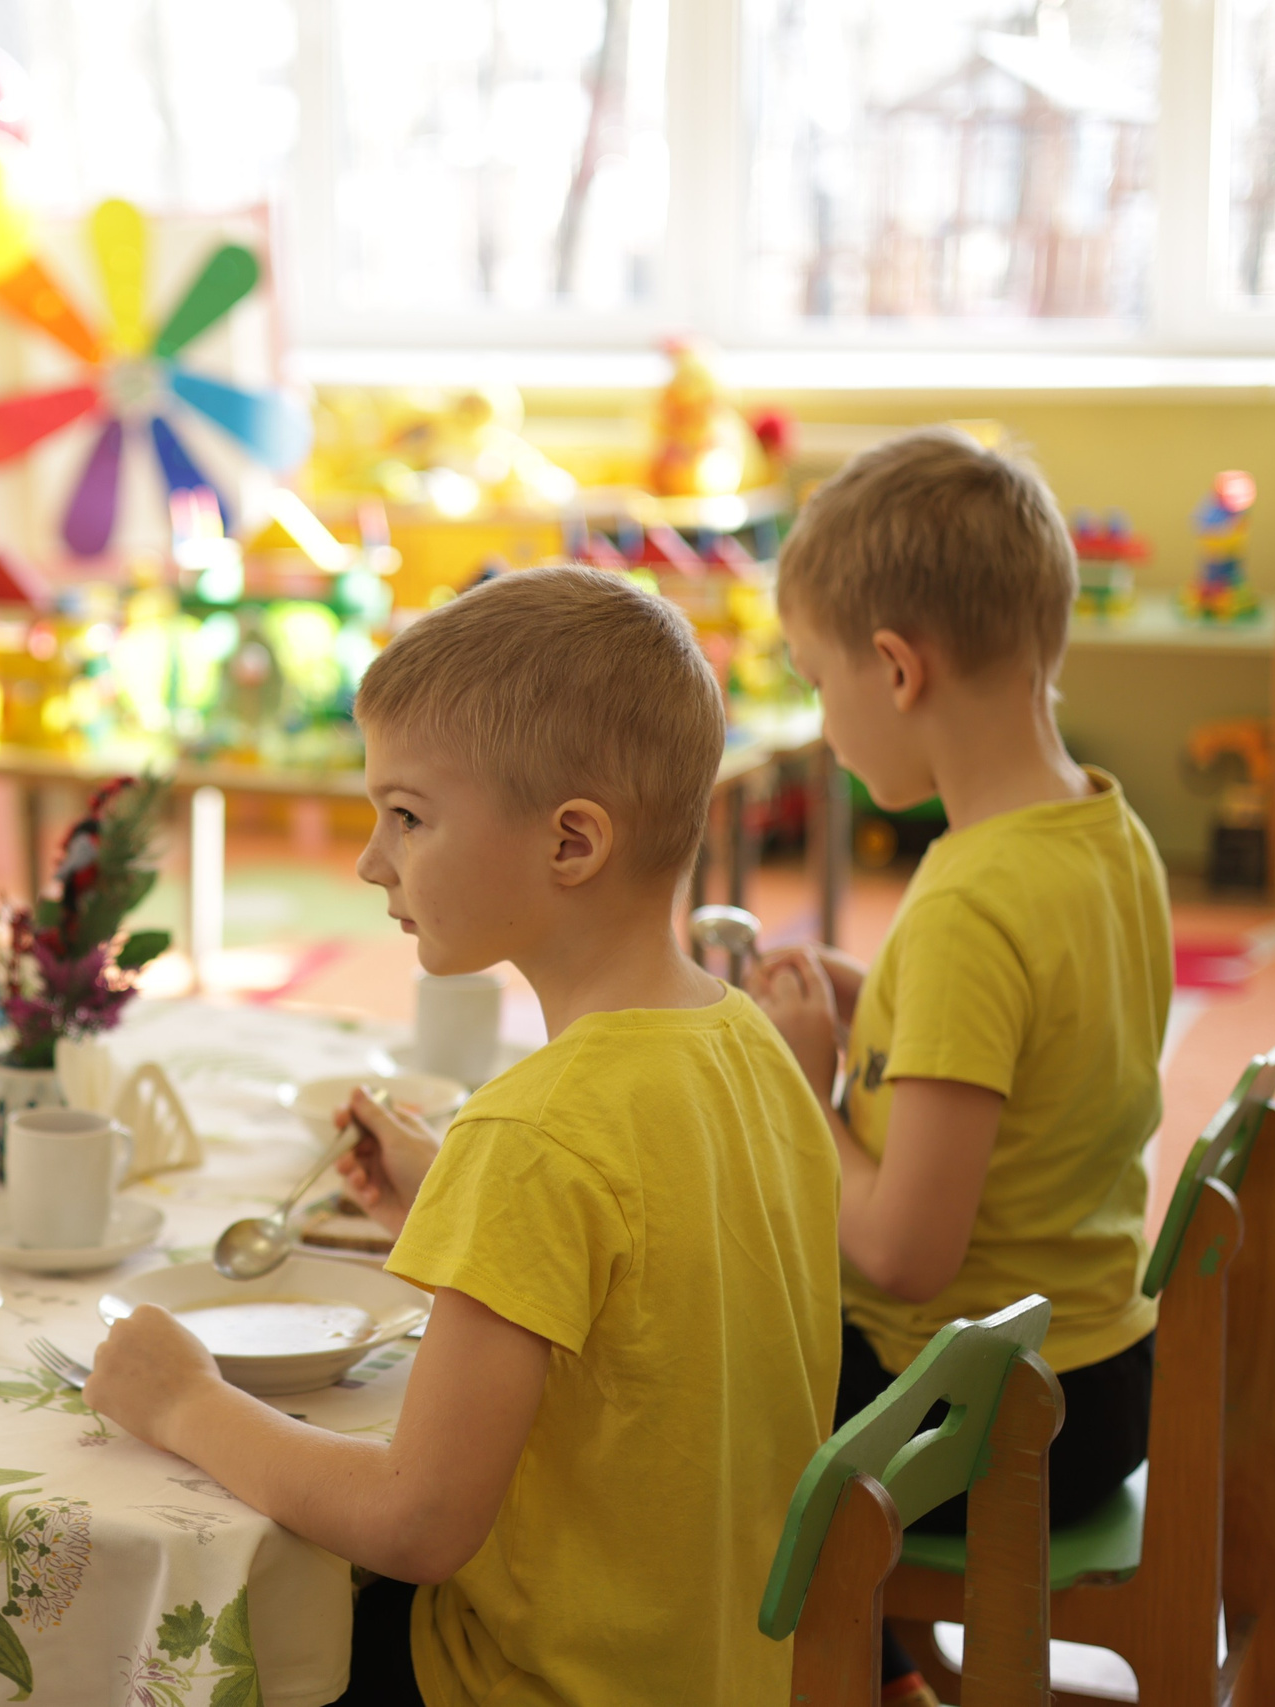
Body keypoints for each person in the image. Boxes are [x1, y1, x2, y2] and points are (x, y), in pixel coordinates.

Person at [84, 567, 842, 1707]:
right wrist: (450, 1193)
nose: (370, 861)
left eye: (409, 816)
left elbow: (416, 1522)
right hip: (732, 1665)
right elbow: (657, 1277)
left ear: (570, 843)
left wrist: (184, 1402)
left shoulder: (533, 1134)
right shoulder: (747, 1048)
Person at [746, 429, 1173, 1707]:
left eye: (821, 686)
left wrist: (806, 1086)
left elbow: (901, 1253)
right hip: (1098, 1374)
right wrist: (885, 1007)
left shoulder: (969, 901)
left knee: (722, 1379)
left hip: (985, 1421)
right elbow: (1049, 1056)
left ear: (893, 667)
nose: (823, 727)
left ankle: (864, 1683)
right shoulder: (1103, 830)